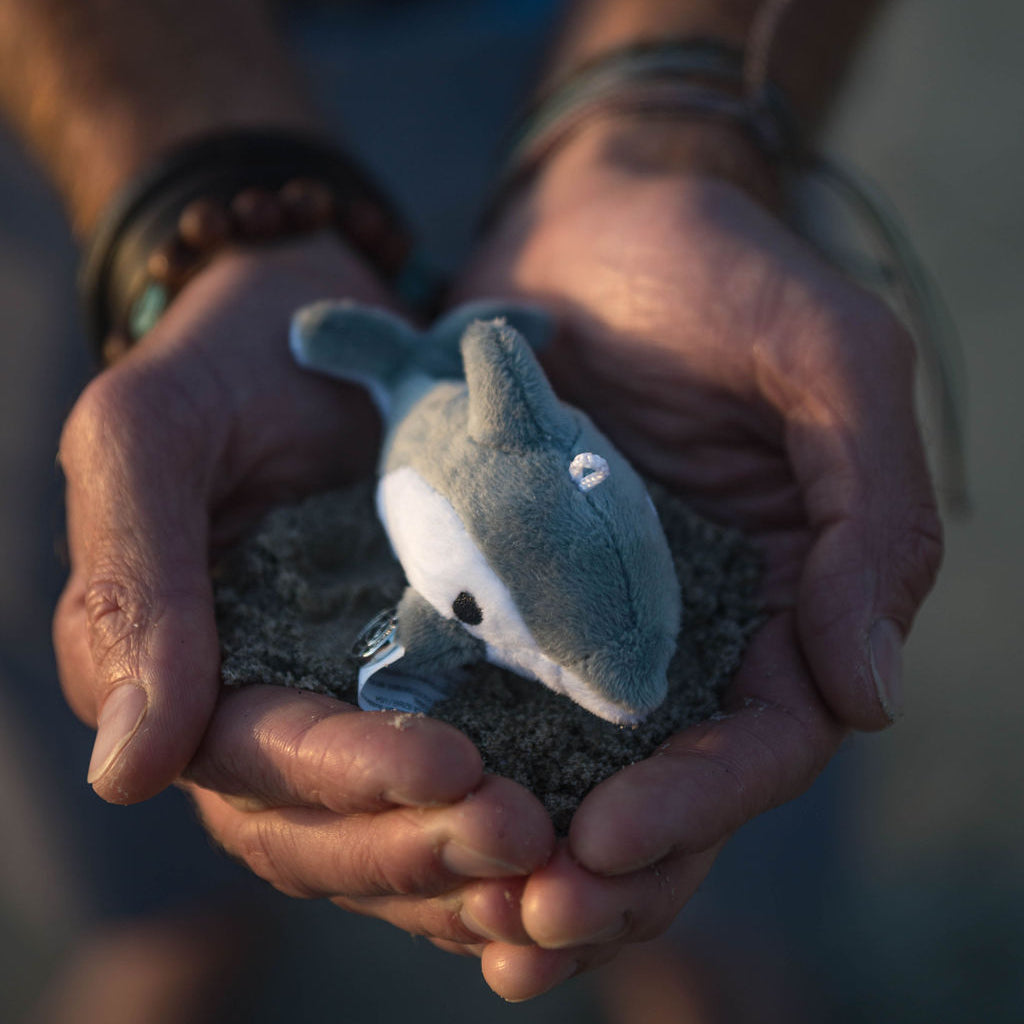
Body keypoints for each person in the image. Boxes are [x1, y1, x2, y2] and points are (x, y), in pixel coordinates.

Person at [0, 0, 942, 1007]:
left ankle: (710, 943)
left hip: (578, 60)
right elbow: (435, 611)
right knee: (113, 565)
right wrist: (192, 191)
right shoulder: (464, 590)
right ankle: (167, 913)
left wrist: (670, 133)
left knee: (709, 849)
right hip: (94, 77)